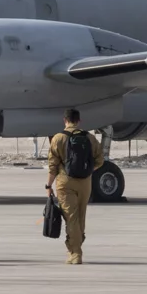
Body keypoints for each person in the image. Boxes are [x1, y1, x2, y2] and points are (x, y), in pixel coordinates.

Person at [46, 108, 105, 264]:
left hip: (65, 182)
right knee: (80, 217)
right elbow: (100, 160)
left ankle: (75, 252)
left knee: (71, 218)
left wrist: (48, 185)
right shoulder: (90, 138)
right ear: (79, 121)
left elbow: (53, 165)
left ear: (65, 120)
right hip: (85, 182)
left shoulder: (58, 138)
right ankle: (75, 246)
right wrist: (87, 171)